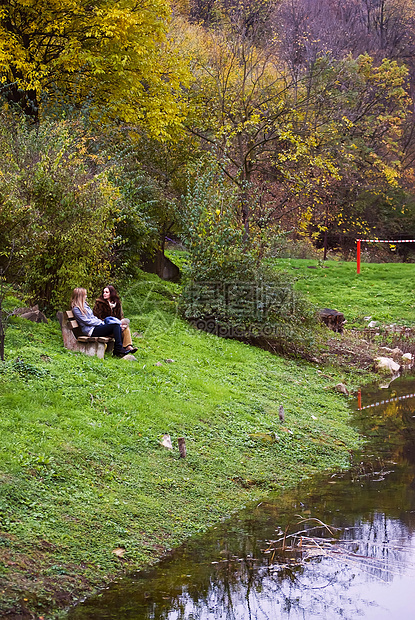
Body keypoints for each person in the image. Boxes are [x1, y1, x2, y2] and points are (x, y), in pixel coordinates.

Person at [70, 288, 129, 358]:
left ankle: (119, 349)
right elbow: (86, 321)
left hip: (95, 327)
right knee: (115, 326)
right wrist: (100, 323)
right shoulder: (76, 309)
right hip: (90, 330)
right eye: (85, 295)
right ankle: (118, 350)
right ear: (80, 296)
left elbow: (93, 317)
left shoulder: (85, 305)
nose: (86, 296)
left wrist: (101, 322)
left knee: (116, 326)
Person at [93, 285, 137, 354]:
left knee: (126, 328)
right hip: (105, 327)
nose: (104, 294)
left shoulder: (117, 303)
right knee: (116, 327)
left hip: (117, 326)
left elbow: (120, 317)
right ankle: (121, 349)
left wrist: (122, 324)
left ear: (111, 293)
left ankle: (128, 346)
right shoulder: (99, 303)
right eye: (103, 292)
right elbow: (97, 317)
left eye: (106, 292)